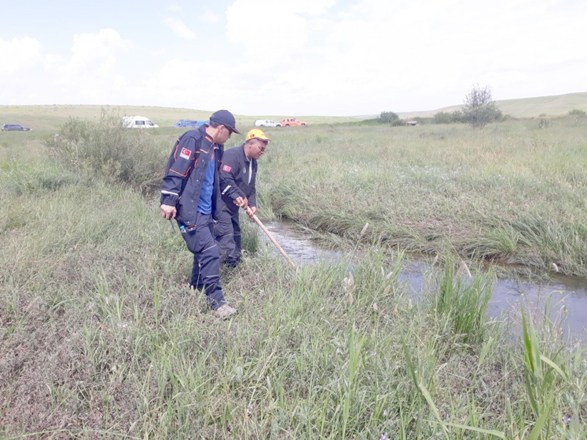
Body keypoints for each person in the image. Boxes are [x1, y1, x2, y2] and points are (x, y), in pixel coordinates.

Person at [160, 109, 240, 319]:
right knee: (211, 251)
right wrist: (168, 201)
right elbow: (176, 171)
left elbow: (219, 178)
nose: (229, 137)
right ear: (221, 128)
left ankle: (194, 289)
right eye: (229, 132)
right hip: (189, 209)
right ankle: (217, 304)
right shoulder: (192, 139)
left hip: (205, 210)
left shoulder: (217, 147)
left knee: (202, 253)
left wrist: (235, 195)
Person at [216, 128, 270, 267]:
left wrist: (252, 204)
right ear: (250, 143)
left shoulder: (253, 163)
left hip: (233, 207)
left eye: (264, 149)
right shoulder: (232, 156)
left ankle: (233, 268)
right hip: (221, 204)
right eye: (260, 148)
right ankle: (216, 272)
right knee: (226, 236)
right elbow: (224, 179)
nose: (262, 152)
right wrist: (237, 195)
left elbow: (251, 187)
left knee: (236, 236)